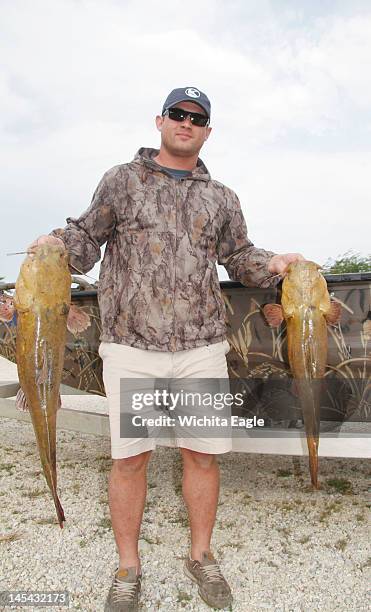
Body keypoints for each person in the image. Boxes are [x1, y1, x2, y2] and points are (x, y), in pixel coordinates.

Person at [31, 86, 304, 611]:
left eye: (197, 118)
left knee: (201, 456)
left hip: (200, 348)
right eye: (178, 114)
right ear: (160, 121)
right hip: (132, 347)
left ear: (208, 131)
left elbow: (241, 256)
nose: (186, 123)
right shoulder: (122, 180)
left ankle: (200, 556)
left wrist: (272, 262)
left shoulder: (221, 196)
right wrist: (56, 244)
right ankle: (128, 567)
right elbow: (85, 239)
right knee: (131, 460)